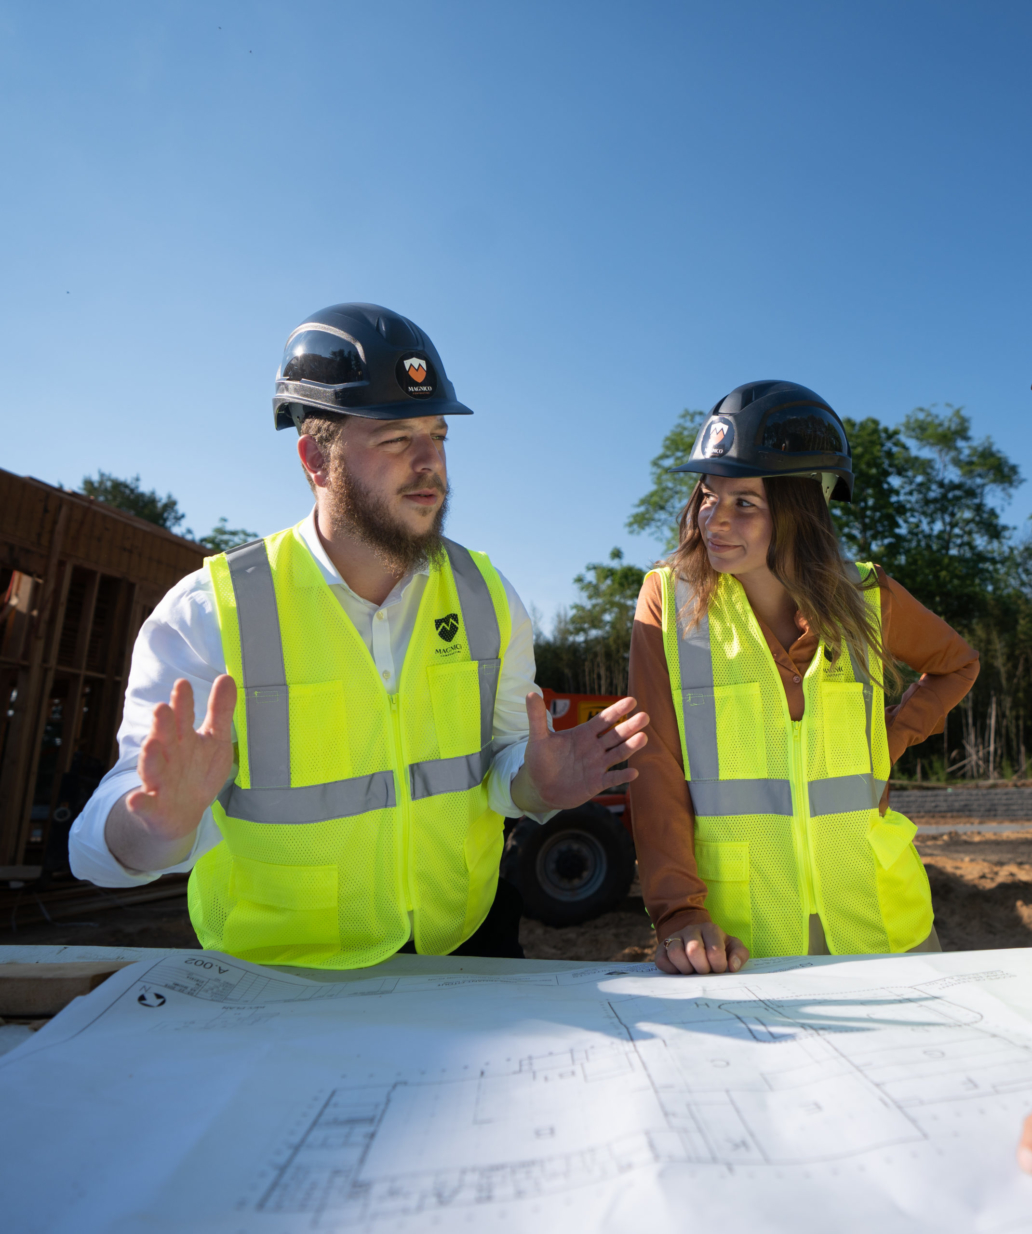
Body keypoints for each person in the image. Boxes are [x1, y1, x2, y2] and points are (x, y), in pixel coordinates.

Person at [70, 302, 648, 967]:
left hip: (461, 952)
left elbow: (500, 769)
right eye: (398, 439)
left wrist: (536, 786)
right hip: (278, 979)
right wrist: (153, 828)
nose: (431, 462)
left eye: (438, 434)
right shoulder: (211, 613)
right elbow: (96, 847)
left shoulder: (488, 596)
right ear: (317, 458)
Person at [626, 380, 979, 976]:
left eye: (745, 503)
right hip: (743, 937)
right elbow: (653, 765)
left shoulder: (870, 596)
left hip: (884, 922)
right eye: (708, 497)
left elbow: (956, 664)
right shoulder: (666, 600)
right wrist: (678, 912)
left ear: (798, 513)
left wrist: (887, 742)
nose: (715, 519)